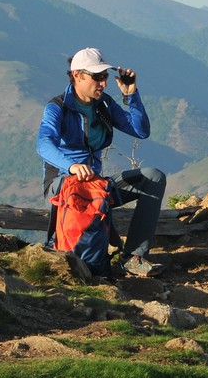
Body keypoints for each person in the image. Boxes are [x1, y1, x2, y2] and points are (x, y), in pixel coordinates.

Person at [37, 47, 166, 280]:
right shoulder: (58, 107)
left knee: (153, 177)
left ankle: (133, 257)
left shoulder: (104, 105)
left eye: (105, 76)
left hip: (98, 186)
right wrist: (72, 166)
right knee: (80, 184)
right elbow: (44, 145)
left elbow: (140, 130)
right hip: (62, 184)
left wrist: (131, 95)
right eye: (97, 77)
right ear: (77, 75)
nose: (103, 83)